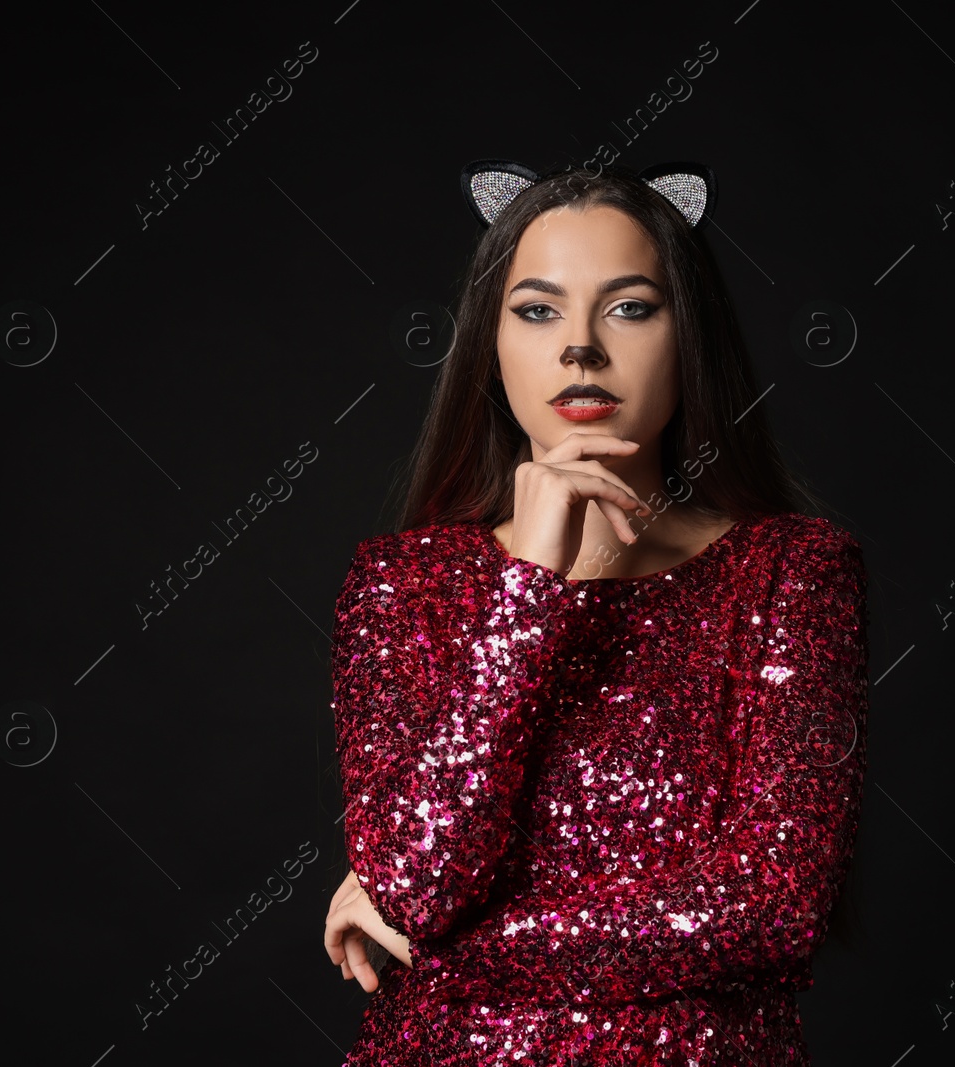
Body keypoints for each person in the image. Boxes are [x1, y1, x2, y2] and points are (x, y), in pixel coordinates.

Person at [322, 158, 870, 1065]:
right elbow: (416, 880)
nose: (580, 346)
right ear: (489, 346)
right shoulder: (398, 583)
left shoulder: (792, 572)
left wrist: (467, 953)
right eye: (537, 309)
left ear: (688, 334)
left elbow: (774, 902)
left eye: (629, 306)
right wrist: (529, 586)